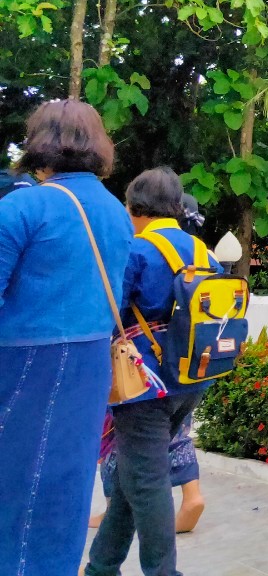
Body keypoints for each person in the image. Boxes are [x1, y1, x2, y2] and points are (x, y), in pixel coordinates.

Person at [0, 100, 133, 576]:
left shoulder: (24, 206)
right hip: (90, 361)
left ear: (39, 142)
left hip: (24, 364)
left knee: (15, 487)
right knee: (67, 484)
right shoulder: (116, 211)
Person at [84, 166, 213, 576]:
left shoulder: (137, 250)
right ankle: (102, 566)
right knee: (134, 472)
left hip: (143, 382)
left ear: (135, 207)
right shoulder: (202, 252)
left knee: (147, 481)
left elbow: (110, 312)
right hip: (192, 378)